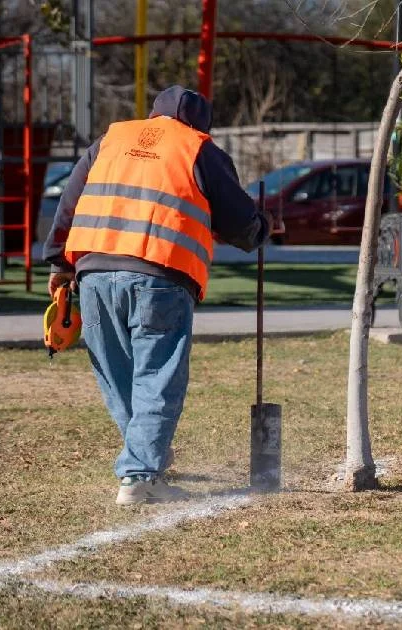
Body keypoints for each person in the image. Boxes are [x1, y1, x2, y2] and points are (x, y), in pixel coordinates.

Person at [44, 85, 269, 505]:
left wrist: (60, 264)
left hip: (93, 274)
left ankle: (147, 457)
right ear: (199, 124)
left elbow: (69, 202)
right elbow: (239, 222)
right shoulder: (199, 149)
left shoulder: (109, 140)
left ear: (153, 115)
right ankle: (141, 474)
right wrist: (261, 229)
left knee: (119, 377)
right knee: (157, 375)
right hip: (159, 274)